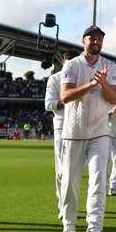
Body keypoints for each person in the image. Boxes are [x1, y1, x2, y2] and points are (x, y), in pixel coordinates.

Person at [59, 26, 116, 232]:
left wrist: (103, 83)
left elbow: (113, 99)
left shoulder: (110, 66)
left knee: (98, 181)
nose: (96, 41)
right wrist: (91, 84)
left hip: (100, 132)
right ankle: (69, 223)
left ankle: (94, 230)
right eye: (91, 38)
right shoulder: (72, 65)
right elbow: (65, 96)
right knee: (69, 182)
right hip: (74, 132)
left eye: (99, 38)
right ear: (83, 40)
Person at [44, 52, 69, 217]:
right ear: (63, 61)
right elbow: (48, 104)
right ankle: (63, 205)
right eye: (69, 61)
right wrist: (66, 99)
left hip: (84, 128)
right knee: (61, 170)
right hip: (62, 126)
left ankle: (70, 203)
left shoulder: (86, 77)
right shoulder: (55, 79)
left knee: (74, 171)